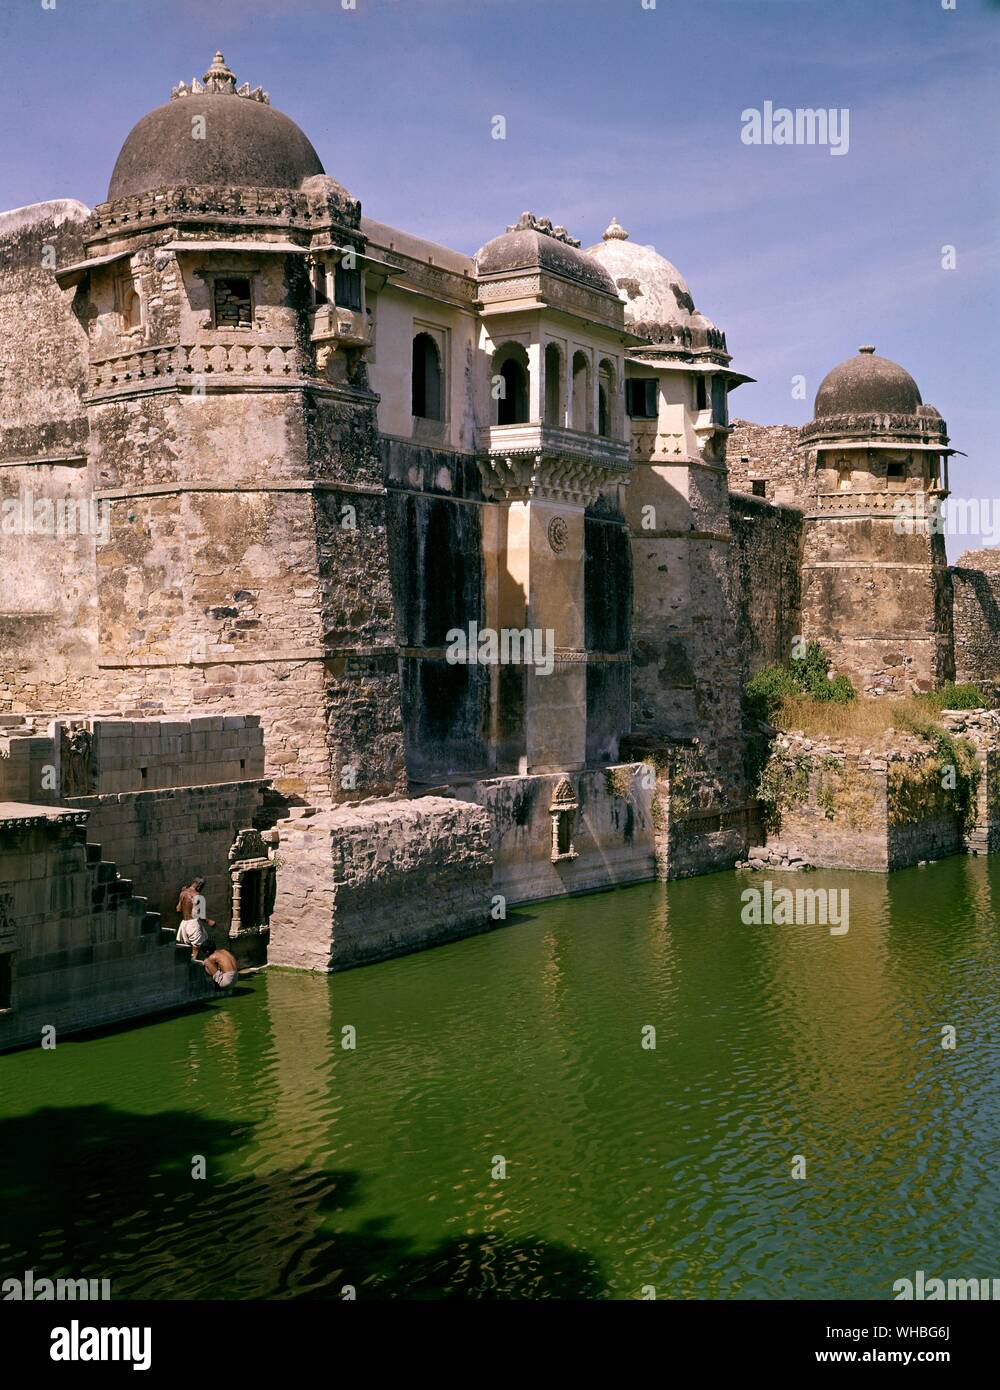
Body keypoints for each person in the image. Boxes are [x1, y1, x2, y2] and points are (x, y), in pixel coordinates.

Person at [175, 876, 215, 959]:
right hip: (193, 924)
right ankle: (193, 965)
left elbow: (178, 909)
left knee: (189, 947)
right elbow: (198, 914)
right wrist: (209, 921)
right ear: (199, 885)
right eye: (202, 887)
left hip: (184, 924)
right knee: (196, 948)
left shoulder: (183, 893)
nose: (202, 889)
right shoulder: (198, 896)